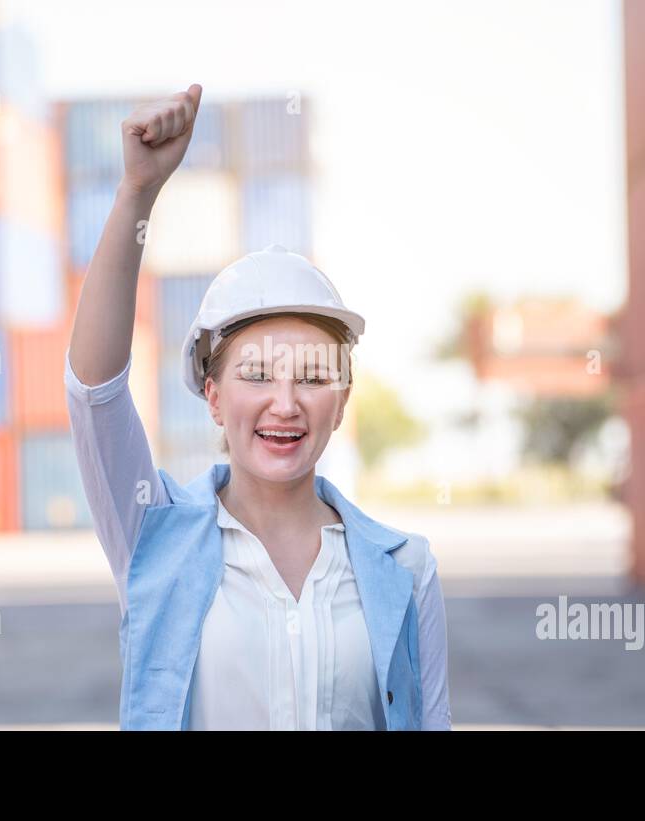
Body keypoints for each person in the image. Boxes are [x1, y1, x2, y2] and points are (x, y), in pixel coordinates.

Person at [65, 83, 451, 730]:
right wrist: (138, 192)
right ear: (212, 397)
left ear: (342, 399)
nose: (285, 402)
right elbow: (94, 392)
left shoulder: (406, 568)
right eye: (256, 374)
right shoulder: (153, 538)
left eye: (311, 376)